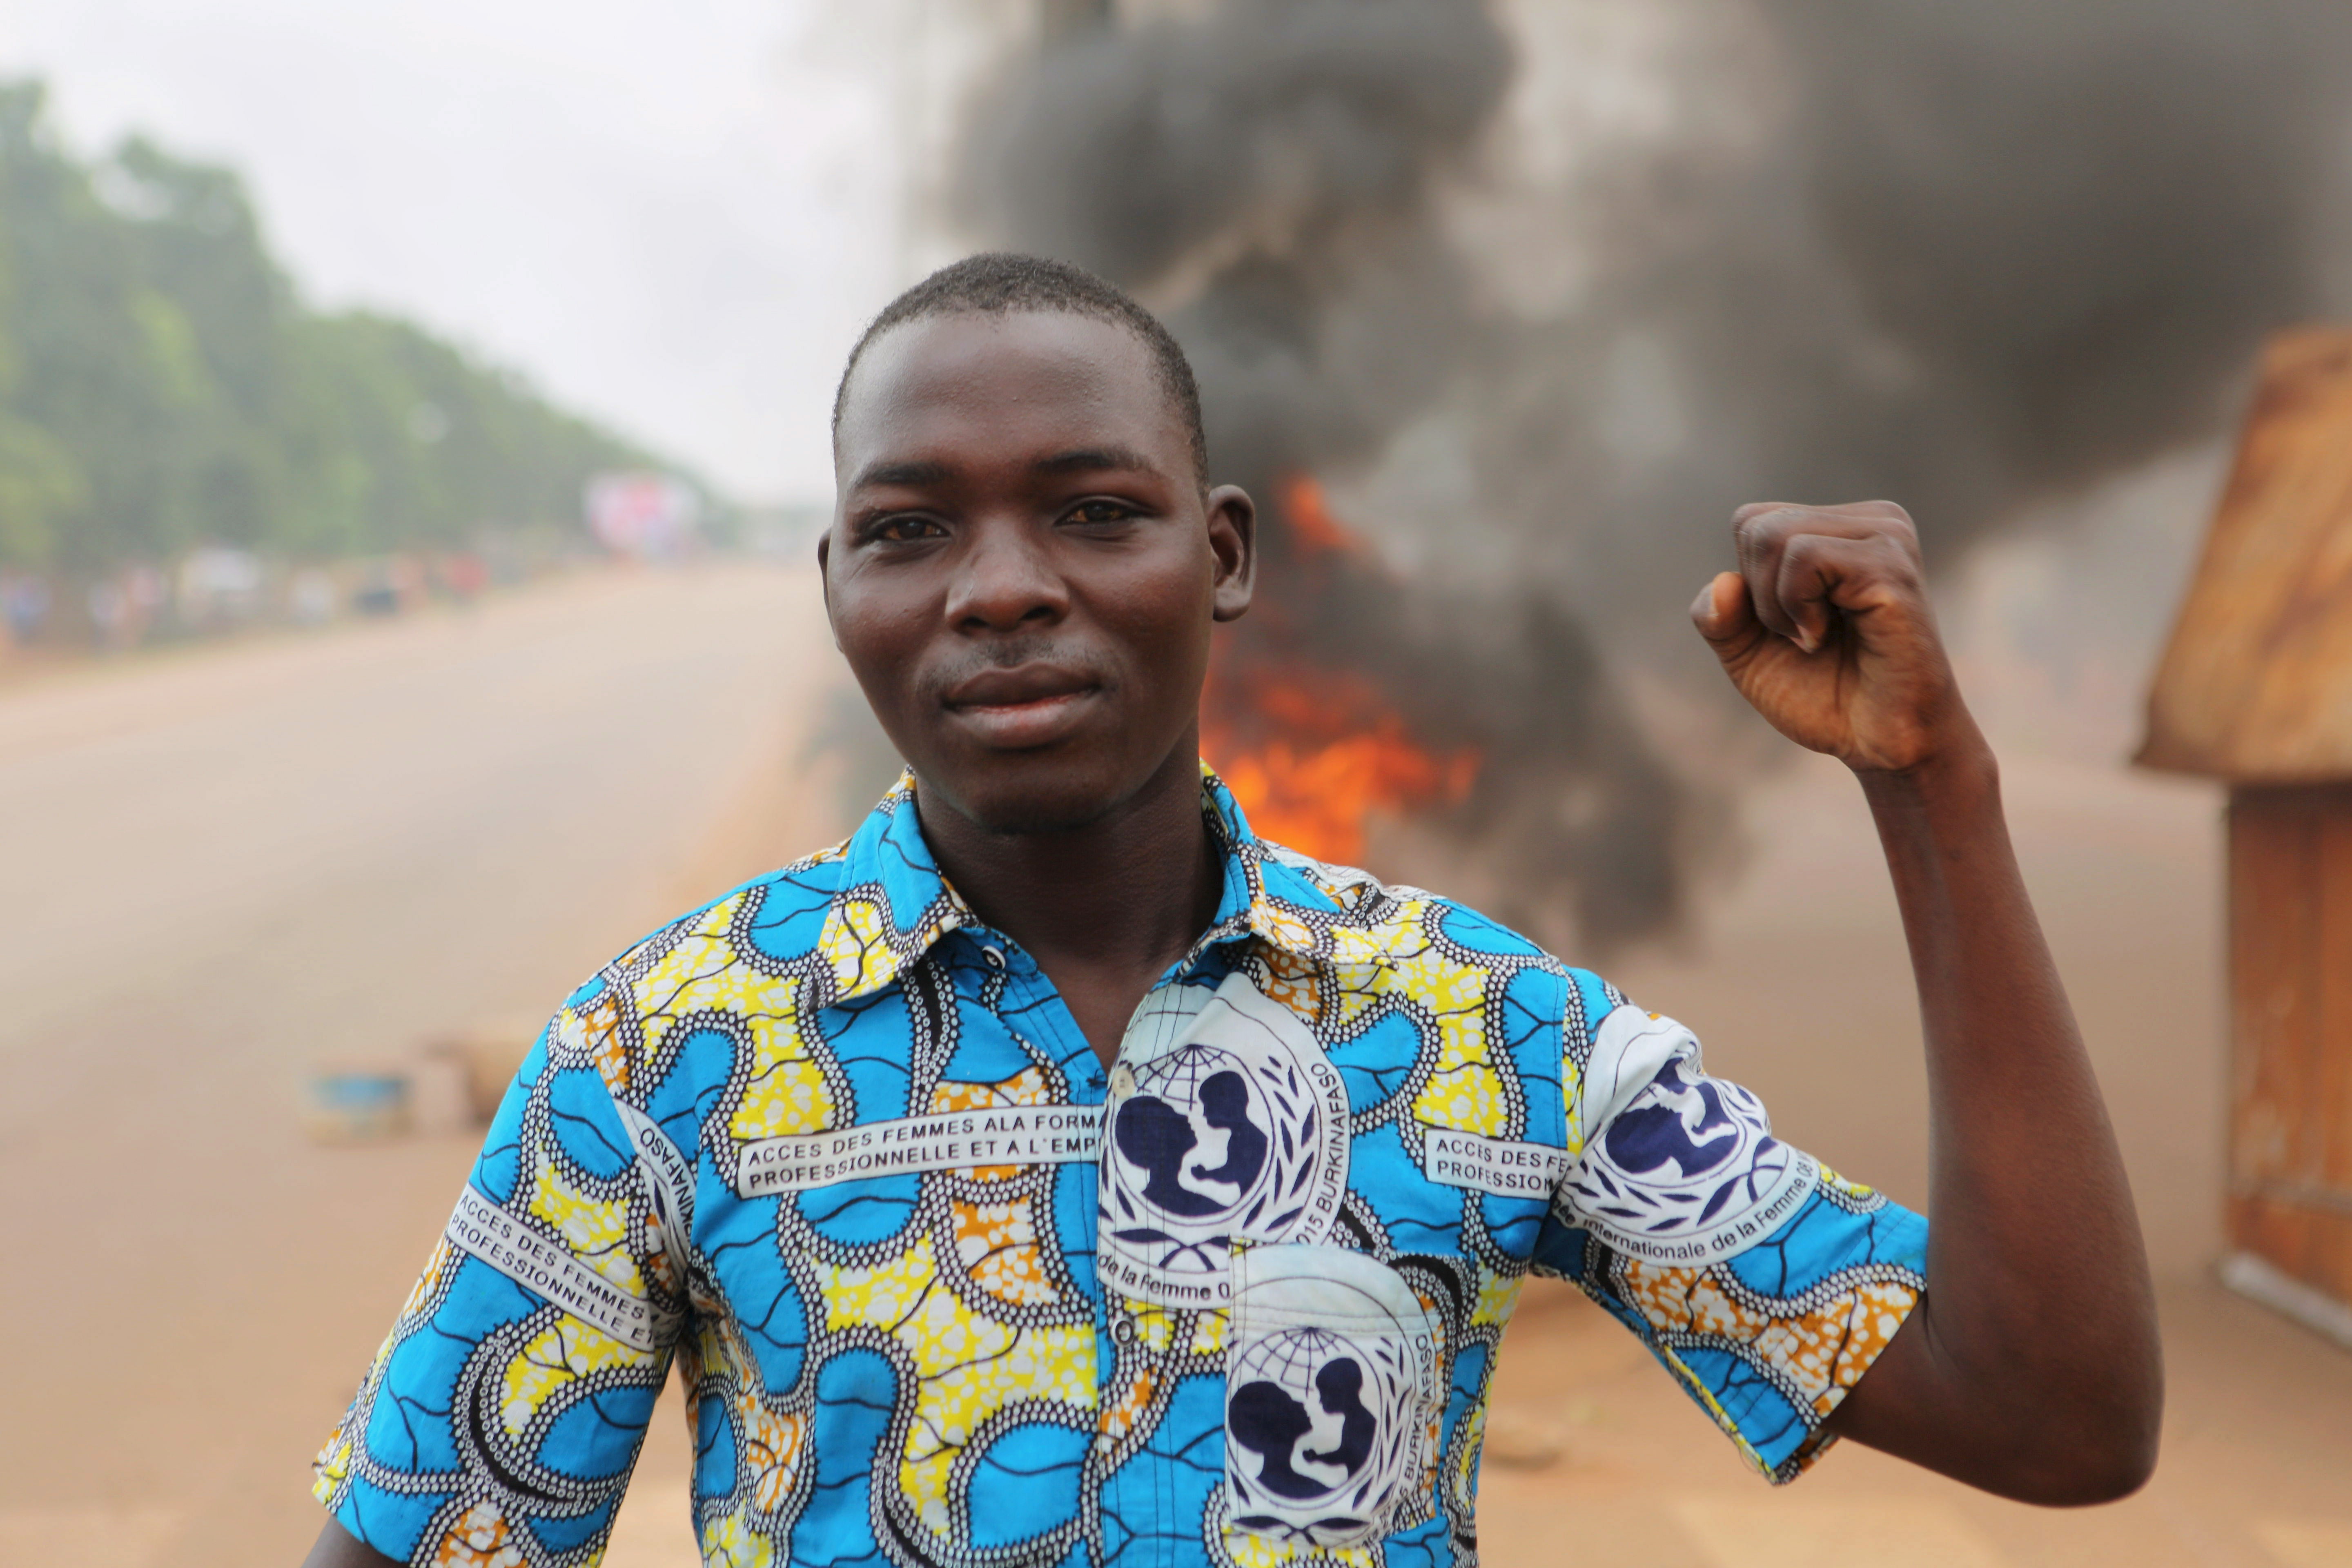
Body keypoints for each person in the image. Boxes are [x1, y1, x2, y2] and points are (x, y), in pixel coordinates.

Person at [303, 253, 2161, 1568]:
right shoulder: (662, 1054)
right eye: (911, 529)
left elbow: (2051, 1414)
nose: (1001, 589)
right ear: (841, 586)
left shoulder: (1485, 1035)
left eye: (1093, 510)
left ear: (1228, 557)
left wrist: (1938, 796)